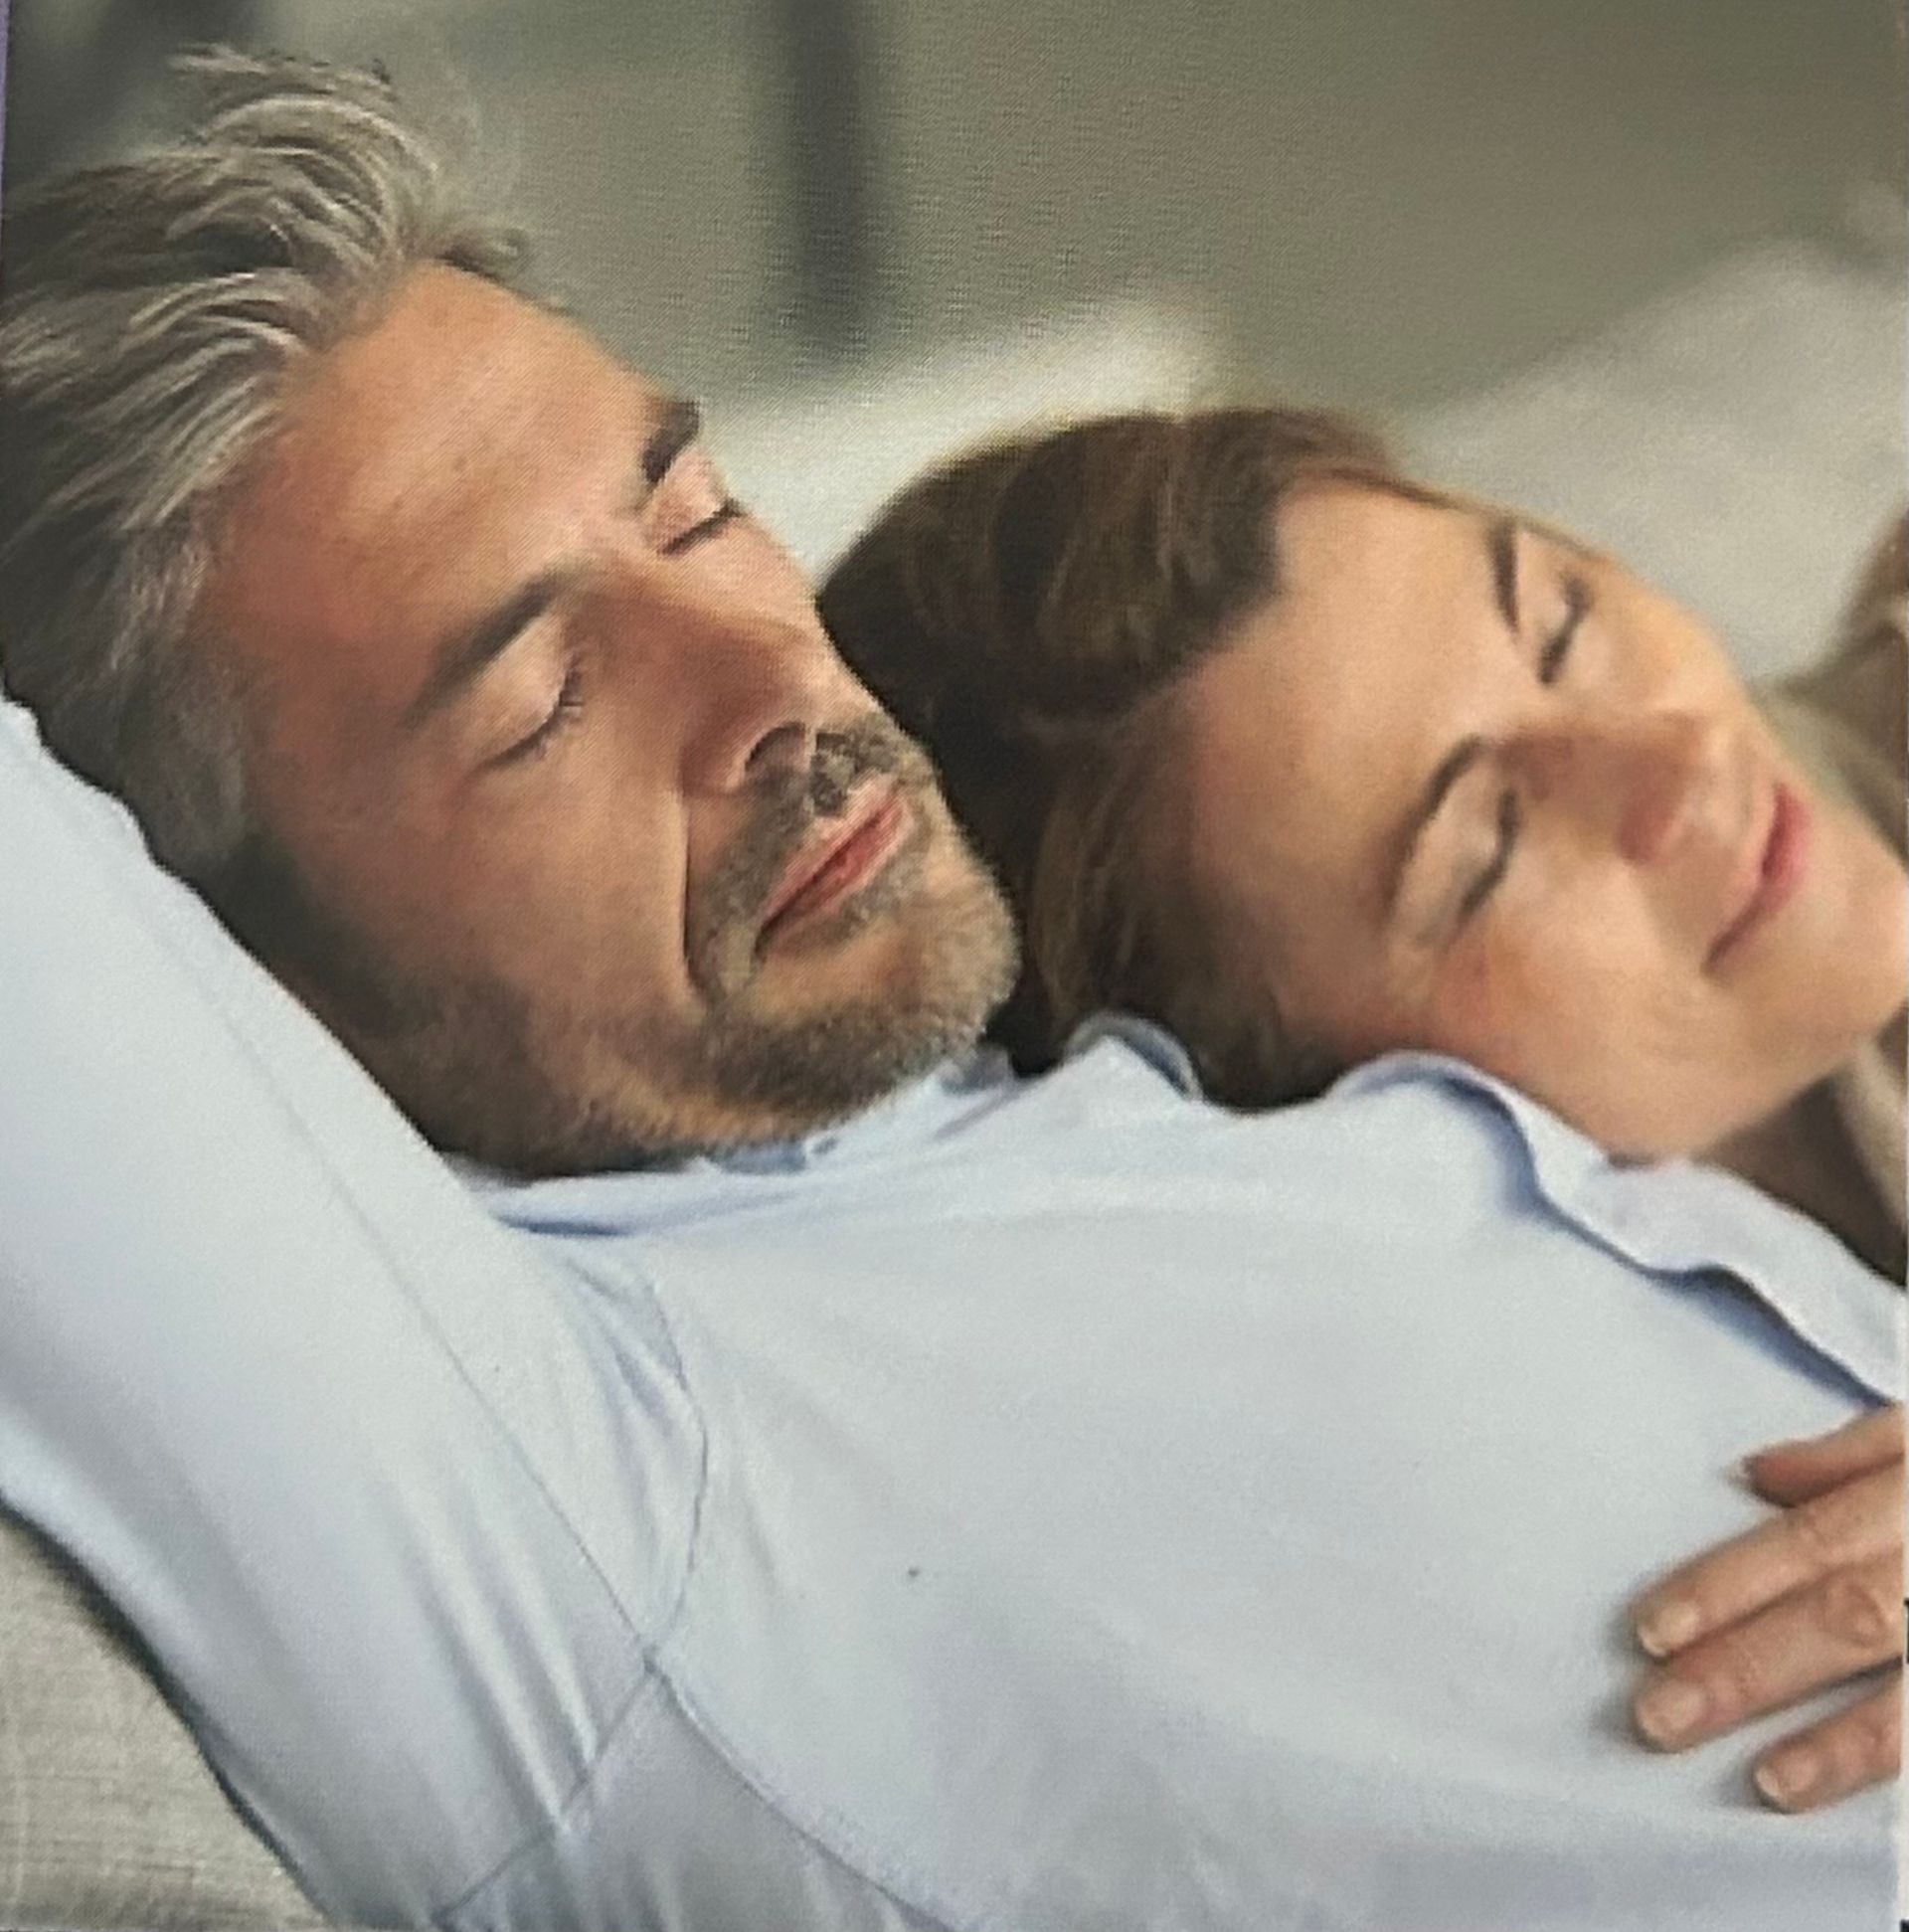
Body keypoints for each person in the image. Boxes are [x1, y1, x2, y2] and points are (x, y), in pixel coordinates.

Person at [0, 52, 1899, 1930]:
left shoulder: (1101, 1102)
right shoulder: (552, 1502)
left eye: (693, 512)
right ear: (240, 967)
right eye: (543, 704)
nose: (773, 686)